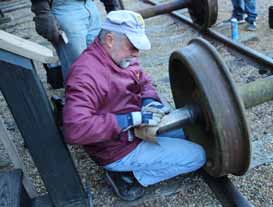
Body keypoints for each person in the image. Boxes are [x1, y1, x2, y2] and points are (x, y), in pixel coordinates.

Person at [63, 10, 206, 201]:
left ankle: (138, 161)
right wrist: (129, 119)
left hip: (136, 128)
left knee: (187, 132)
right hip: (116, 148)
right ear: (110, 39)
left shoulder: (120, 57)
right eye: (132, 46)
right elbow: (75, 129)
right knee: (197, 156)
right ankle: (129, 175)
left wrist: (149, 102)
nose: (136, 53)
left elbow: (144, 81)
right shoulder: (86, 75)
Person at [30, 0, 121, 80]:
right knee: (79, 70)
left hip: (91, 6)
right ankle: (81, 98)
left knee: (102, 62)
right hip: (65, 9)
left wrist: (111, 5)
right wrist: (42, 12)